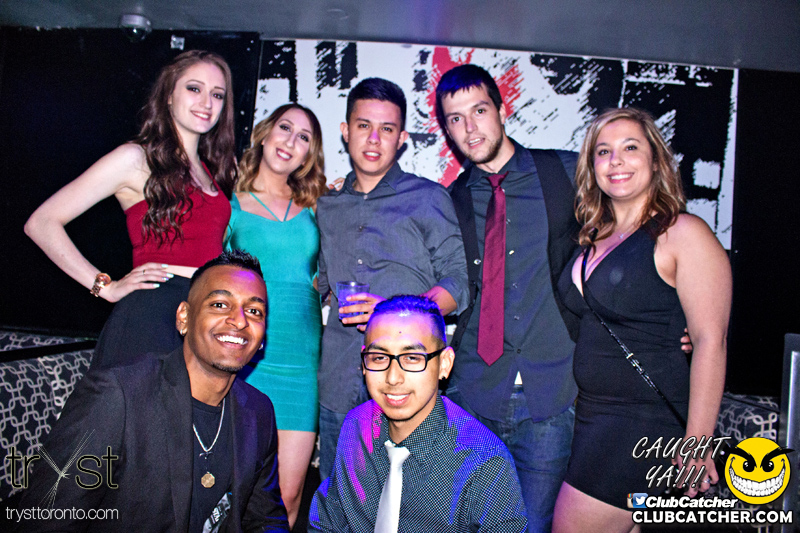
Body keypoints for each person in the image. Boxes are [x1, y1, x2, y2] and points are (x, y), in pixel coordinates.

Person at [16, 251, 289, 531]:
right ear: (184, 317)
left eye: (254, 311)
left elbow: (265, 518)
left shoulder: (258, 410)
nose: (240, 320)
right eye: (219, 304)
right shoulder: (118, 397)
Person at [551, 108, 730, 532]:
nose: (615, 161)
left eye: (630, 148)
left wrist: (698, 441)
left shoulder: (682, 233)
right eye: (603, 152)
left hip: (643, 423)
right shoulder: (592, 236)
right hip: (594, 417)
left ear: (655, 161)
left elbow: (711, 340)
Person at [24, 50, 236, 369]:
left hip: (202, 313)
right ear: (168, 95)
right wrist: (105, 287)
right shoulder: (136, 159)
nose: (207, 102)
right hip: (155, 312)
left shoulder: (213, 170)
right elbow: (41, 223)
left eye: (217, 94)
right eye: (194, 88)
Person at [435, 64, 580, 532]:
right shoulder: (451, 201)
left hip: (551, 390)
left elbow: (634, 232)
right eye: (455, 119)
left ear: (502, 109)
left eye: (479, 111)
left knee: (532, 525)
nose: (469, 128)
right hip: (474, 391)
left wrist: (670, 314)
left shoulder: (566, 173)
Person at [315, 77, 469, 479]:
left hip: (406, 385)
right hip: (338, 380)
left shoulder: (428, 197)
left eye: (386, 129)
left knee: (408, 504)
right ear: (346, 131)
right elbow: (318, 285)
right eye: (363, 125)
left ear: (401, 139)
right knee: (337, 500)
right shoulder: (326, 205)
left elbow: (459, 281)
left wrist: (397, 316)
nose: (373, 139)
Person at [308, 295, 527, 532]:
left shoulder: (484, 463)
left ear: (444, 364)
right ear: (363, 364)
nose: (393, 378)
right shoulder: (356, 426)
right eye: (379, 358)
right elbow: (327, 521)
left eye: (412, 358)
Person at [224, 103, 326, 527]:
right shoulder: (229, 203)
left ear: (308, 155)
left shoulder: (317, 206)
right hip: (246, 360)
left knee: (287, 496)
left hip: (301, 367)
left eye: (304, 137)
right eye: (285, 128)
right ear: (265, 134)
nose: (290, 141)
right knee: (235, 490)